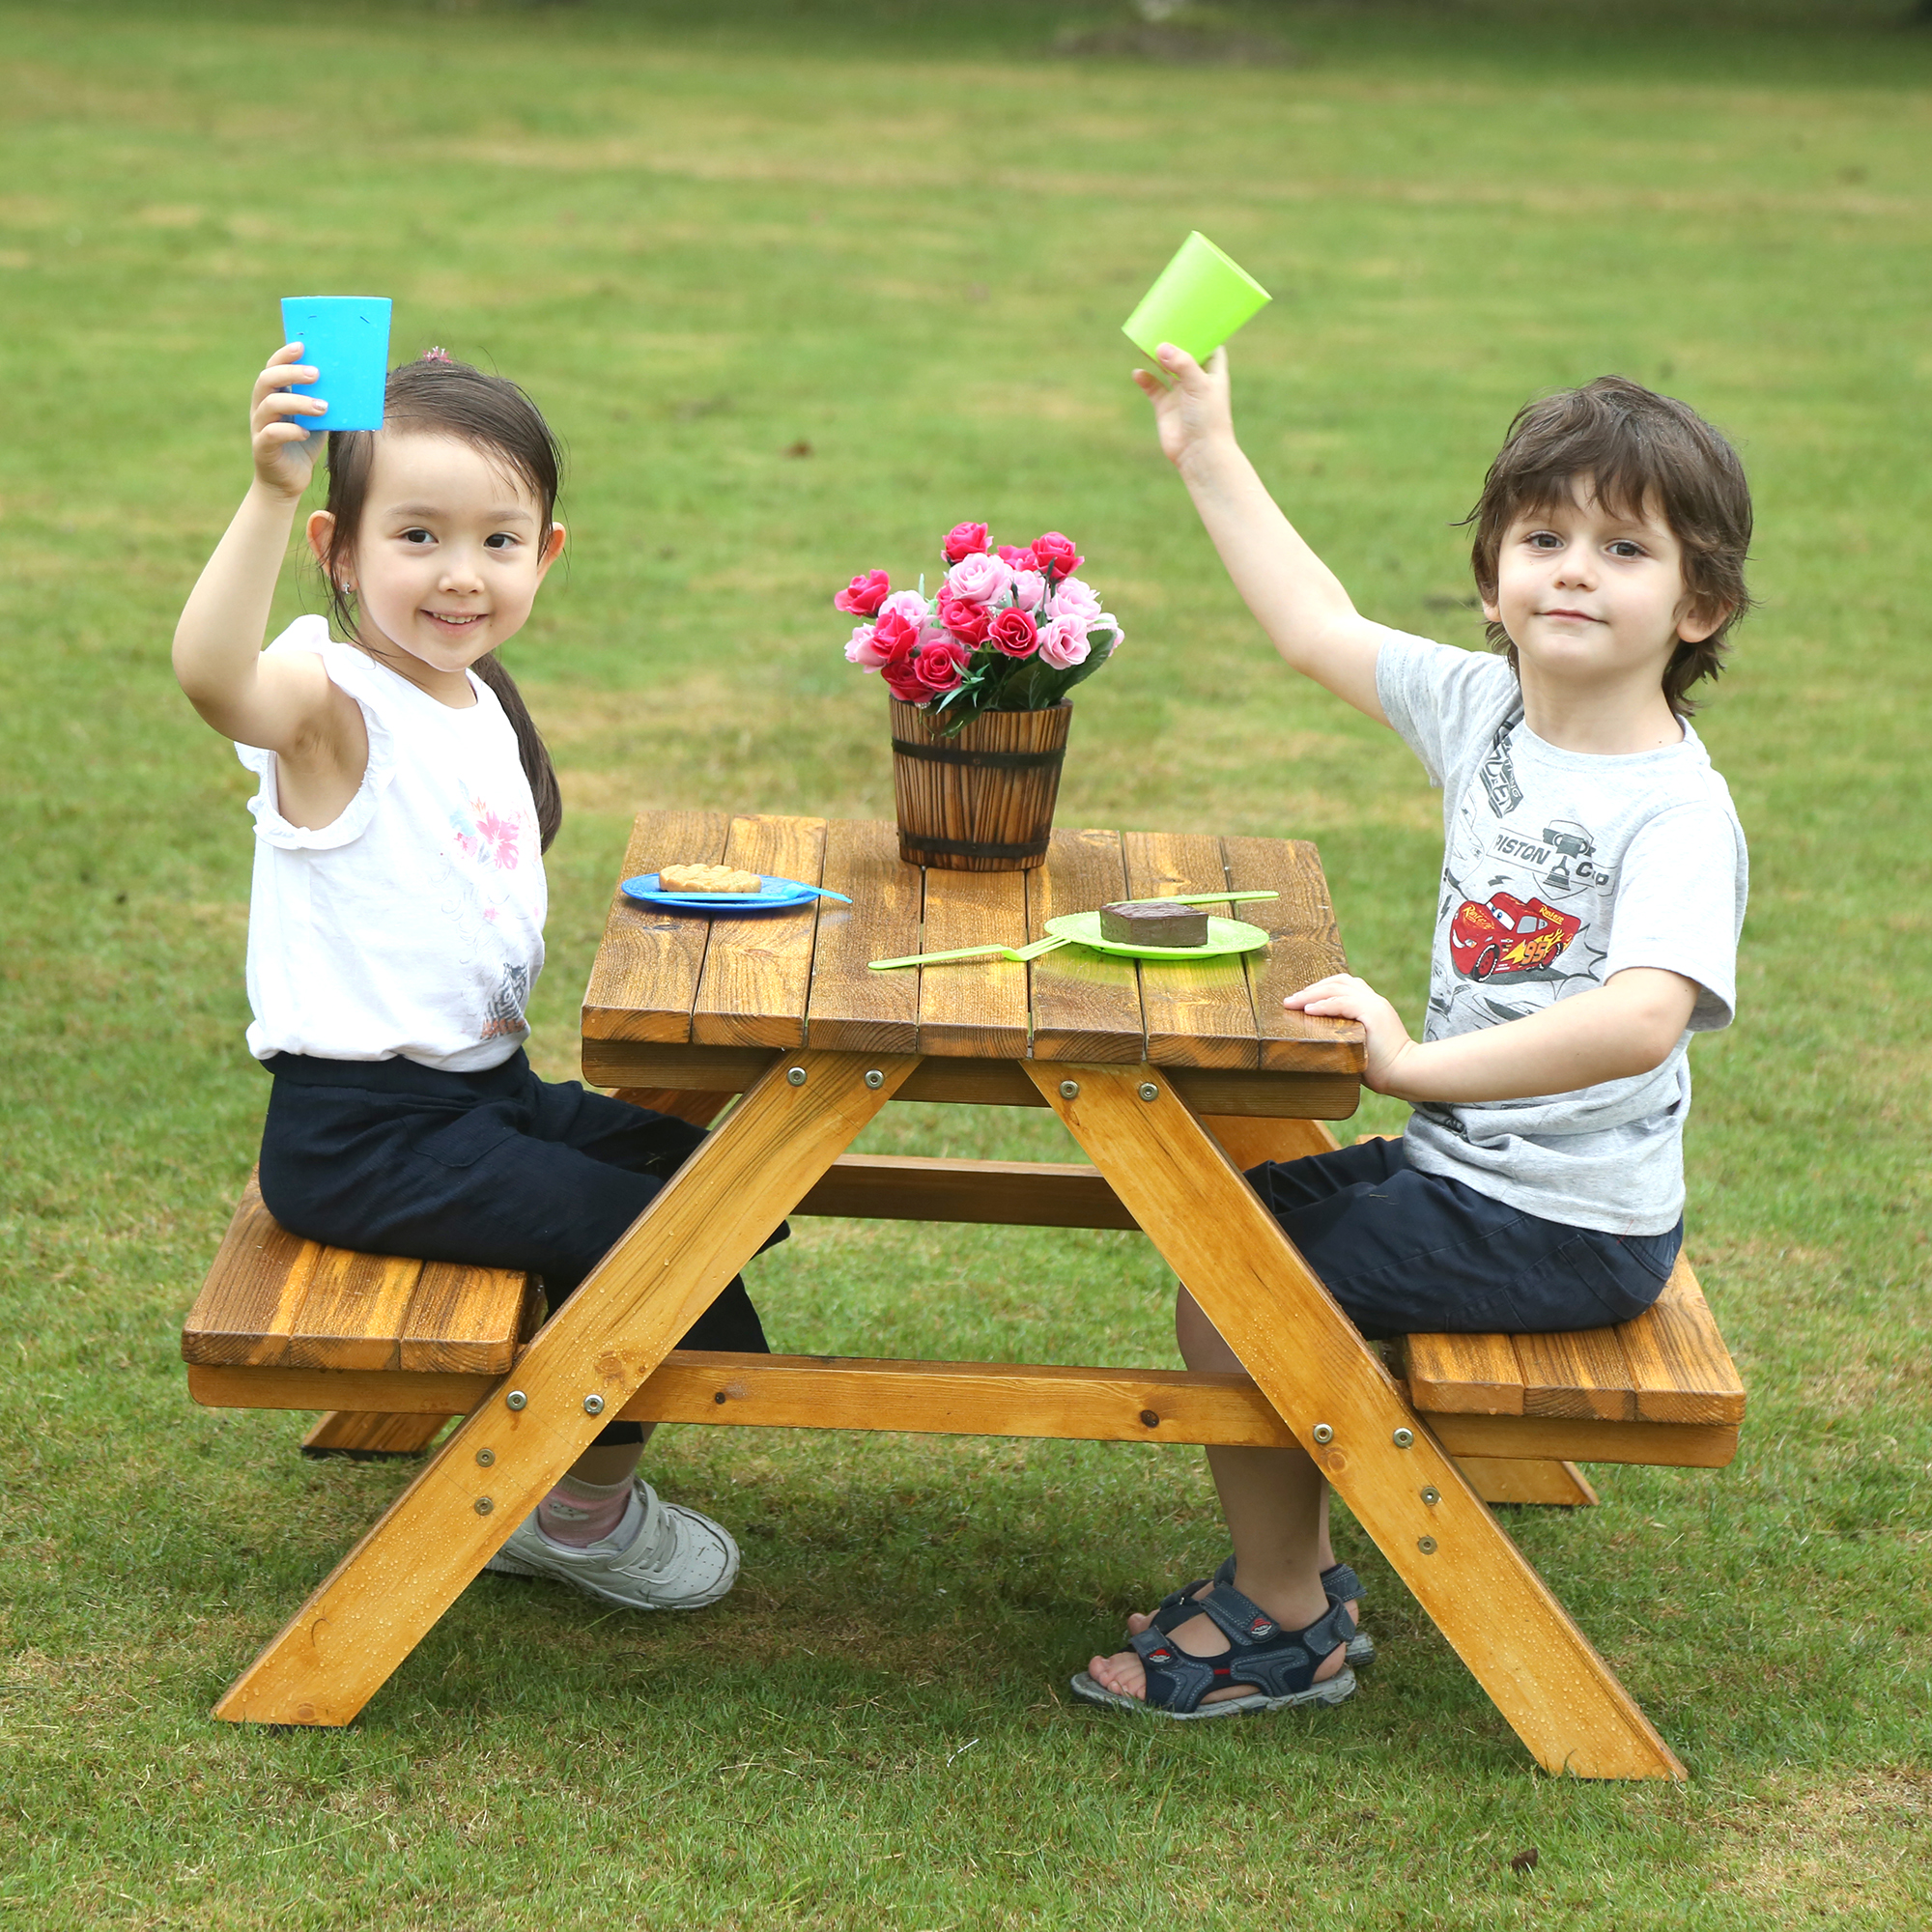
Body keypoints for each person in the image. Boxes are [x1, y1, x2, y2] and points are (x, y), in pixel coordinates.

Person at [1075, 352, 1750, 1719]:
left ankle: (1283, 1617)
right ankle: (1296, 1576)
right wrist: (1204, 441)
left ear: (1700, 603)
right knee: (1225, 1237)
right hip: (1472, 1178)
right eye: (1543, 537)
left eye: (1623, 547)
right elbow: (1313, 624)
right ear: (1494, 571)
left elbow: (1638, 1020)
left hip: (1565, 1222)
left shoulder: (1676, 811)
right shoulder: (1486, 713)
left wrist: (1410, 1067)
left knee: (1239, 1281)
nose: (1572, 570)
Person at [174, 340, 777, 1615]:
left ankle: (590, 1417)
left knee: (731, 1182)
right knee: (660, 1248)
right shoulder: (330, 703)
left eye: (498, 541)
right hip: (364, 1137)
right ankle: (575, 1514)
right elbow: (213, 676)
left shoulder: (467, 692)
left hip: (486, 1097)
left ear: (546, 553)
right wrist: (269, 493)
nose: (461, 573)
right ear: (341, 552)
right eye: (418, 536)